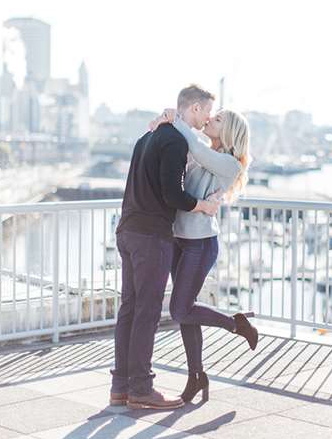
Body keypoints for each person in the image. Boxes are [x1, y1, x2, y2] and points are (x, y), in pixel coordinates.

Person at [110, 85, 221, 410]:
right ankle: (142, 389)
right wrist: (203, 206)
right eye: (207, 113)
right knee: (146, 312)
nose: (207, 120)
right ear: (195, 109)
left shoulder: (148, 137)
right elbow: (174, 195)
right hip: (151, 237)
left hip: (128, 229)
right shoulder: (173, 140)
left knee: (129, 309)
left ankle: (121, 387)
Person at [150, 106, 258, 403]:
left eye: (218, 119)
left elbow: (196, 146)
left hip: (200, 243)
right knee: (187, 312)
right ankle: (196, 376)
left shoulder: (230, 164)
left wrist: (179, 120)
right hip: (178, 239)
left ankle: (236, 324)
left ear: (230, 131)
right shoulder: (204, 153)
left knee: (179, 309)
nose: (210, 119)